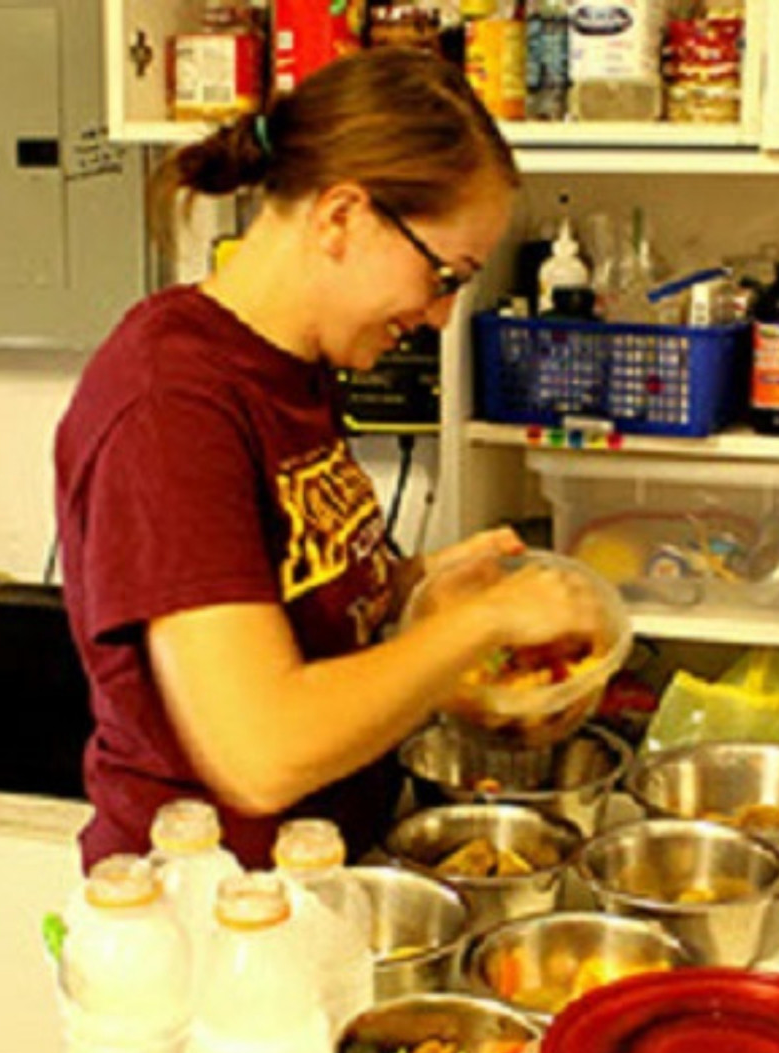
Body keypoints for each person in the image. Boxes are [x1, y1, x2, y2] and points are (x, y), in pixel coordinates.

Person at [54, 47, 605, 871]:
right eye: (444, 275)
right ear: (342, 217)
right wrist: (476, 627)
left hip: (323, 878)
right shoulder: (170, 407)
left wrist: (420, 586)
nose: (441, 315)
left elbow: (294, 594)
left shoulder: (291, 366)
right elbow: (260, 752)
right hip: (217, 925)